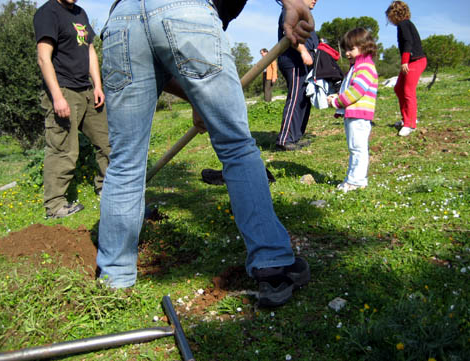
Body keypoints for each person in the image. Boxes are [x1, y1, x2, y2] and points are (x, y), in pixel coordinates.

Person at [97, 0, 314, 307]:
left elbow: (157, 42)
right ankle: (272, 262)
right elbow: (175, 34)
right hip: (186, 8)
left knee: (124, 162)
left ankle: (113, 281)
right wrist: (292, 3)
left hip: (122, 20)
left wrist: (200, 99)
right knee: (236, 146)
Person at [33, 0, 111, 219]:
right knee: (63, 149)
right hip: (64, 90)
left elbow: (90, 51)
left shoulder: (80, 13)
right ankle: (55, 205)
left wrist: (97, 85)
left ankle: (107, 187)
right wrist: (57, 97)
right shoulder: (48, 13)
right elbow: (43, 58)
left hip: (87, 90)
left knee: (107, 141)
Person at [327, 28, 378, 193]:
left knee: (357, 148)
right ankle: (355, 179)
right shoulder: (358, 66)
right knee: (355, 147)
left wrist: (336, 101)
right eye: (346, 49)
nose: (347, 53)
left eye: (351, 49)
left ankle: (356, 181)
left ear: (364, 46)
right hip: (354, 114)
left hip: (359, 115)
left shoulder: (364, 67)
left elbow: (356, 92)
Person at [276, 0, 319, 151]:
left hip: (304, 62)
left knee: (303, 98)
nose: (316, 0)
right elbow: (289, 34)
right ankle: (285, 139)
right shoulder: (292, 9)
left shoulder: (304, 14)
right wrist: (303, 51)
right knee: (295, 98)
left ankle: (295, 137)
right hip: (293, 60)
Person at [385, 1, 427, 137]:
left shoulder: (404, 24)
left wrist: (404, 61)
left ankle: (410, 124)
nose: (389, 20)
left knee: (408, 91)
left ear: (394, 14)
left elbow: (408, 42)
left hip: (415, 61)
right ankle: (407, 118)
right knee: (398, 88)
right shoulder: (404, 24)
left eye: (389, 16)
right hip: (411, 61)